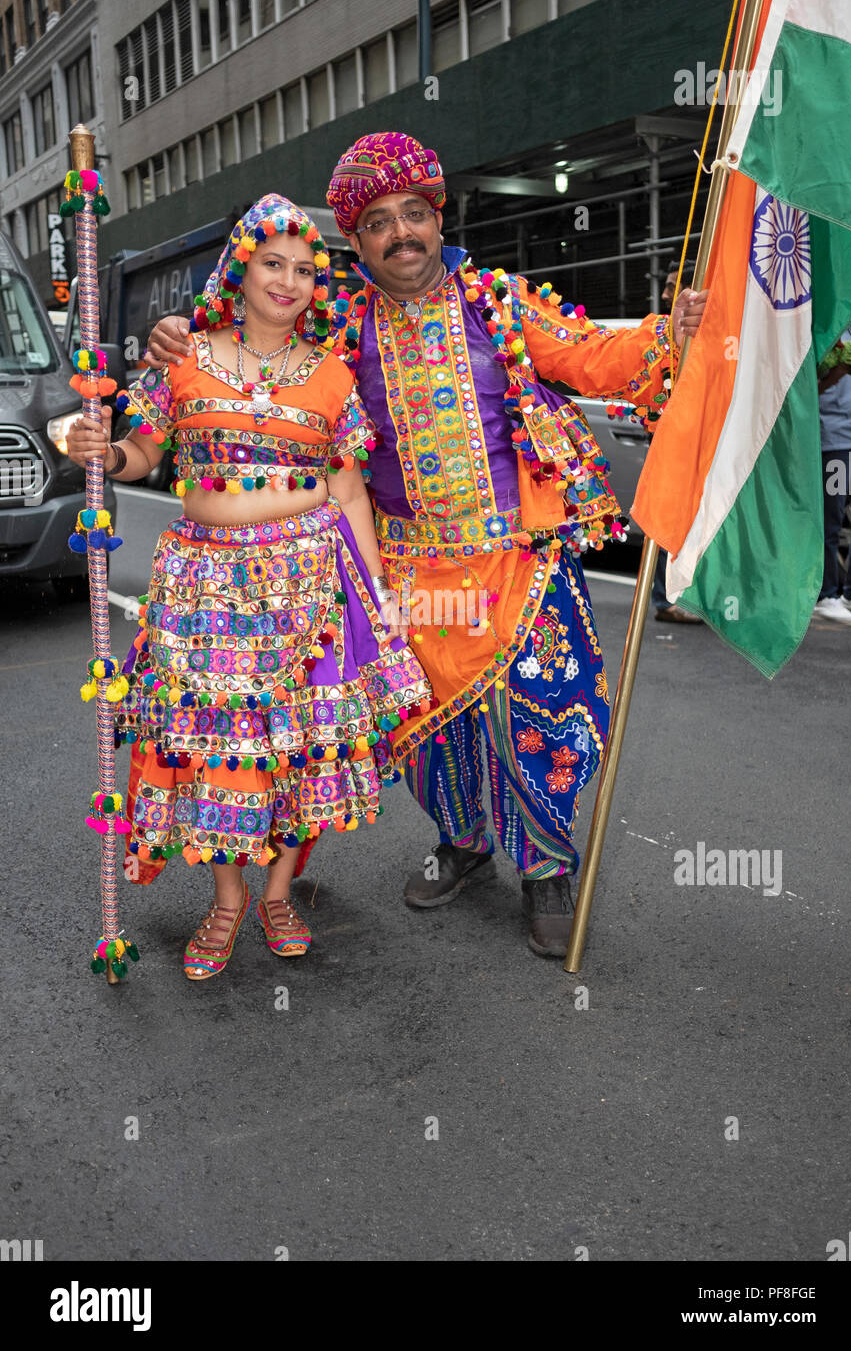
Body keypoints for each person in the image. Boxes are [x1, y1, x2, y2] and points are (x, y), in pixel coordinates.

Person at [147, 133, 707, 958]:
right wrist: (177, 335)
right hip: (404, 569)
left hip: (516, 557)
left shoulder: (498, 303)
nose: (400, 232)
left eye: (414, 213)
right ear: (357, 240)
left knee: (534, 717)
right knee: (427, 729)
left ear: (438, 218)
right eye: (378, 222)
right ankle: (466, 843)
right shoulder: (339, 326)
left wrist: (671, 332)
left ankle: (547, 867)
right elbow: (257, 357)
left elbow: (593, 358)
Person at [67, 194, 430, 980]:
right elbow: (138, 454)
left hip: (312, 589)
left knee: (301, 750)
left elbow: (351, 493)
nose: (290, 280)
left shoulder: (332, 376)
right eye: (274, 262)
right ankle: (227, 899)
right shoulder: (185, 358)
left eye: (305, 269)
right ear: (241, 267)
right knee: (216, 748)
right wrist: (97, 447)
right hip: (204, 589)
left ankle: (276, 893)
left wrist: (380, 601)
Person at [653, 258, 702, 624]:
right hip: (669, 441)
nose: (666, 294)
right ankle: (664, 598)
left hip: (697, 441)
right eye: (667, 288)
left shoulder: (703, 333)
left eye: (673, 288)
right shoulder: (663, 332)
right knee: (665, 520)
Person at [812, 315, 851, 625]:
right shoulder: (825, 328)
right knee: (832, 523)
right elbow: (812, 385)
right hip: (837, 439)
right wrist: (838, 369)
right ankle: (826, 594)